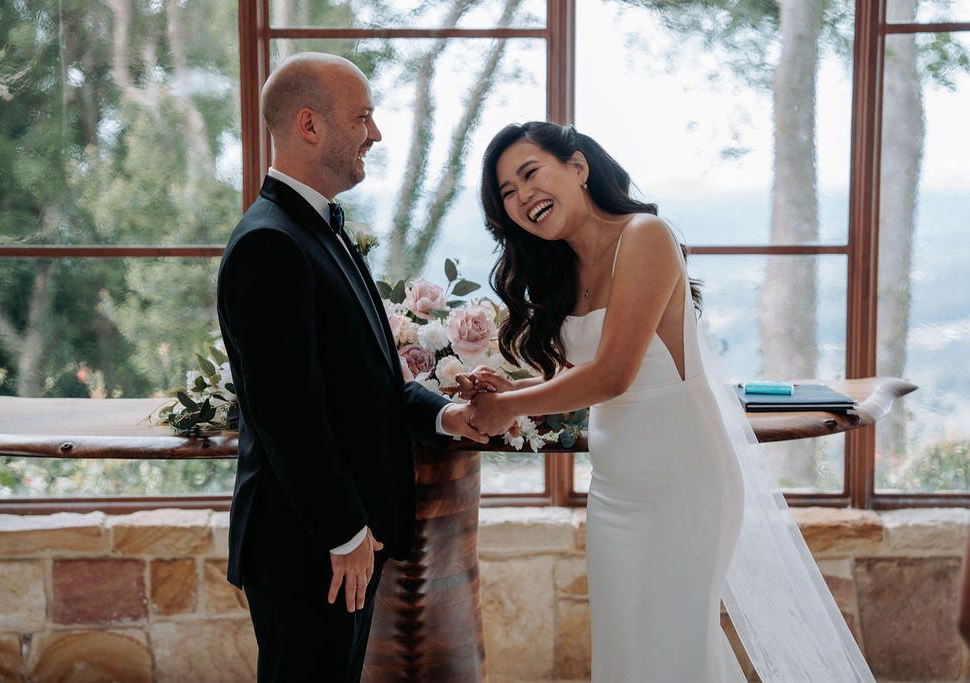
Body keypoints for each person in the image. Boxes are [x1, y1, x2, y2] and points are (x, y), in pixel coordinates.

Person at [458, 121, 874, 681]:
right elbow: (583, 375)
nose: (523, 196)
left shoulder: (645, 236)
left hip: (683, 483)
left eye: (530, 173)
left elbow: (614, 375)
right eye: (507, 192)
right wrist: (513, 391)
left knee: (676, 653)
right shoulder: (566, 268)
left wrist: (510, 408)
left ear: (578, 168)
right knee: (627, 657)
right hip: (615, 490)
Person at [216, 53, 488, 682]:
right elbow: (286, 411)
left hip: (337, 543)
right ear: (309, 124)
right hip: (308, 545)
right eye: (362, 116)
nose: (377, 133)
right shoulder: (270, 242)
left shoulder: (318, 227)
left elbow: (364, 378)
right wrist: (344, 532)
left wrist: (444, 414)